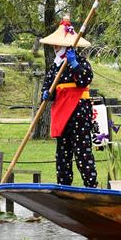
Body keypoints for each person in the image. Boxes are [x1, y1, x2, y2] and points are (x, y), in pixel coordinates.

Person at [40, 15, 98, 187]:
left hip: (78, 112)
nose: (56, 47)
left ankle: (91, 185)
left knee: (82, 151)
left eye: (59, 44)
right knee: (63, 153)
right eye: (55, 45)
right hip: (61, 113)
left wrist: (73, 63)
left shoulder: (80, 61)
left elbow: (85, 79)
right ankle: (64, 185)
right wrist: (46, 93)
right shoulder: (55, 67)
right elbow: (48, 87)